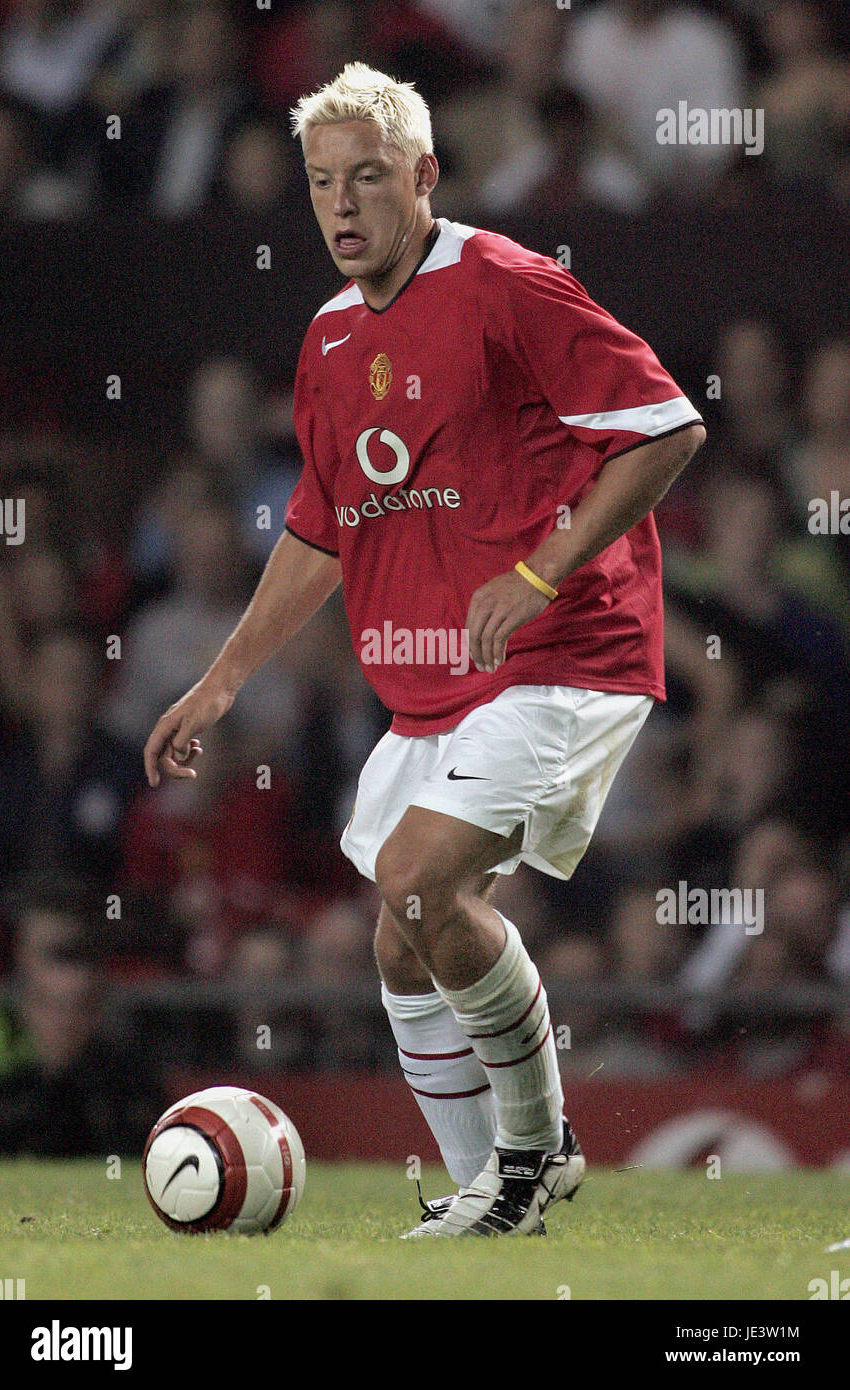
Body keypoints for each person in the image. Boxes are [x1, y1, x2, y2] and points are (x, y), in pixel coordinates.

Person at [143, 63, 705, 1237]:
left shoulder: (505, 282)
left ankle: (532, 1155)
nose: (341, 206)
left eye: (367, 178)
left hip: (564, 645)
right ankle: (484, 1193)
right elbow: (320, 523)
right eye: (319, 184)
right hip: (434, 685)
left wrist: (540, 567)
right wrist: (225, 675)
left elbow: (662, 427)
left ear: (424, 176)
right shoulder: (330, 337)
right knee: (399, 941)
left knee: (415, 882)